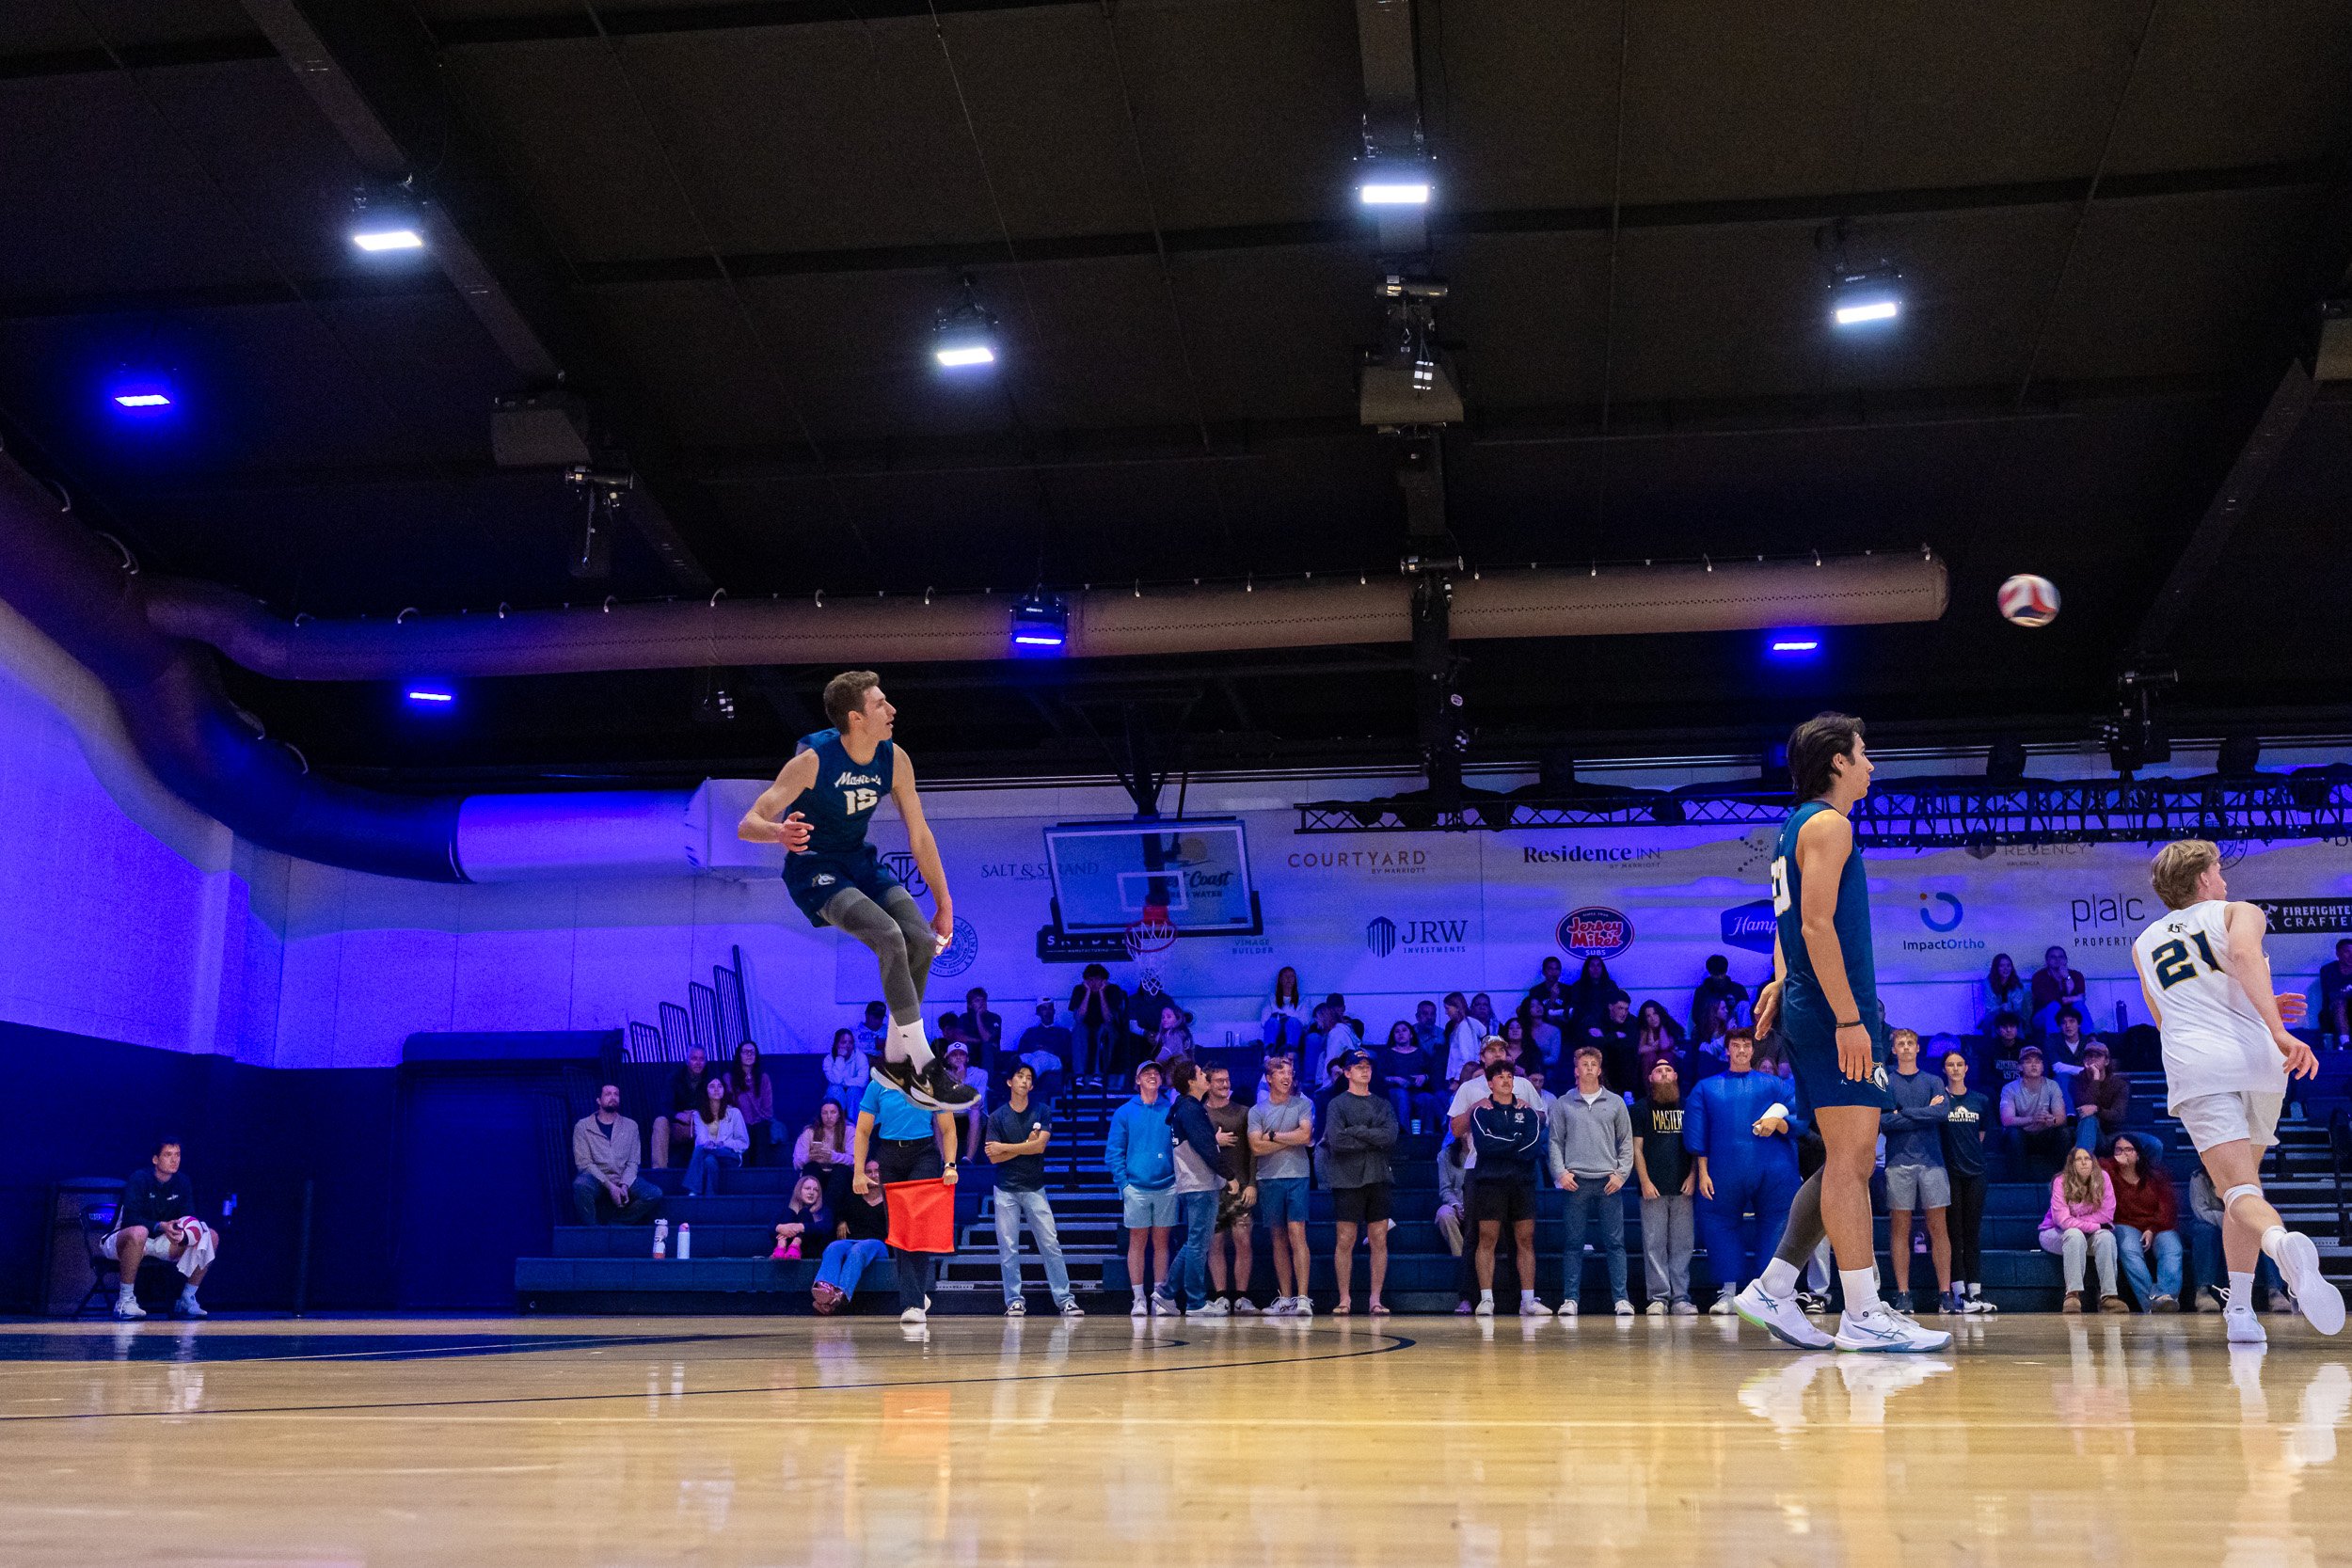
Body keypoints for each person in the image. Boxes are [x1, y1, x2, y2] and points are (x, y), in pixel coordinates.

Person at [1737, 712, 1949, 1354]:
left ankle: (1774, 1287)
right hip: (1836, 1012)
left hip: (1817, 1003)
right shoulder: (1830, 824)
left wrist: (1782, 979)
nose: (1871, 765)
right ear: (1837, 761)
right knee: (1853, 1163)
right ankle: (1862, 1312)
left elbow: (1789, 925)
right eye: (1863, 752)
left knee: (1844, 1159)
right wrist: (1850, 1018)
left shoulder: (1793, 828)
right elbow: (1815, 925)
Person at [2132, 838, 2342, 1341]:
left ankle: (2282, 1246)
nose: (2224, 879)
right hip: (2260, 1063)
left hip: (2200, 1065)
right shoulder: (2239, 912)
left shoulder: (2143, 944)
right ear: (2204, 877)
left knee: (2238, 1192)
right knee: (2246, 1189)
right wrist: (2277, 1027)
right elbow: (2244, 955)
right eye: (2219, 870)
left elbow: (2164, 1017)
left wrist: (2257, 1007)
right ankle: (2241, 1312)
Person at [737, 671, 974, 1113]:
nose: (892, 709)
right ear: (856, 718)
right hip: (815, 871)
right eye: (881, 704)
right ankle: (924, 1065)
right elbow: (748, 823)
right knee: (888, 936)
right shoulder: (813, 762)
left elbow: (919, 835)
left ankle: (895, 1060)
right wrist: (778, 833)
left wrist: (944, 901)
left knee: (921, 939)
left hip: (859, 863)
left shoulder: (894, 758)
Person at [1688, 1028, 1805, 1316]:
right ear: (1727, 1050)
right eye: (1736, 1045)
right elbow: (1696, 1132)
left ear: (1753, 1051)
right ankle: (1728, 1293)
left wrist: (1779, 1124)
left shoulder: (1775, 1085)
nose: (1741, 1050)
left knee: (1777, 1223)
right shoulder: (1706, 1088)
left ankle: (1770, 1294)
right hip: (1722, 1169)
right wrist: (1703, 1172)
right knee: (1719, 1223)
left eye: (1746, 1045)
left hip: (1774, 1169)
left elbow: (1800, 1118)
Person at [850, 1061, 960, 1325]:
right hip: (889, 1155)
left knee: (916, 1225)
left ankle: (913, 1303)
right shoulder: (878, 1084)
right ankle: (917, 1293)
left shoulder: (932, 1081)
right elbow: (863, 1131)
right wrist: (858, 1172)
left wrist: (950, 1165)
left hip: (923, 1154)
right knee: (898, 1228)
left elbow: (948, 1129)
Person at [985, 1060, 1082, 1318]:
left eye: (1029, 1077)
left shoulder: (1042, 1111)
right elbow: (993, 1157)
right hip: (1005, 1188)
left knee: (1050, 1244)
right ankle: (1014, 1301)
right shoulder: (996, 1117)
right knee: (1008, 1248)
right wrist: (1023, 1145)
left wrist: (1007, 1147)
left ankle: (1065, 1299)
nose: (1025, 1080)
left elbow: (1039, 1147)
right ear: (1010, 1082)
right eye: (1020, 1076)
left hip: (1035, 1187)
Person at [1547, 1045, 1634, 1317]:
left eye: (1593, 1064)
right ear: (1576, 1070)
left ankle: (1621, 1299)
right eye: (1583, 1064)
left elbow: (1626, 1143)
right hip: (1575, 1182)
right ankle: (1570, 1299)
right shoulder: (1563, 1103)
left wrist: (1621, 1174)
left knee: (1615, 1244)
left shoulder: (1616, 1102)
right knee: (1573, 1243)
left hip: (1609, 1181)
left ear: (1599, 1070)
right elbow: (1554, 1142)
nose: (1588, 1068)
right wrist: (1560, 1173)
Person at [1879, 1027, 1952, 1315]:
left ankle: (1945, 1293)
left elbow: (1941, 1113)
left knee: (1938, 1228)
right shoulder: (1886, 1082)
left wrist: (1904, 1112)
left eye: (1911, 1043)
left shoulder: (1933, 1080)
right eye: (1901, 1043)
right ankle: (1903, 1294)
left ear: (1918, 1048)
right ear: (1894, 1049)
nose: (1907, 1047)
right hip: (1898, 1162)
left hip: (1932, 1161)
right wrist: (1923, 1113)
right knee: (1900, 1228)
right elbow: (1884, 1122)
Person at [1468, 1061, 1548, 1316]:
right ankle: (1486, 1299)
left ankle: (1528, 1301)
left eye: (1509, 1076)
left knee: (1525, 1239)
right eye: (1500, 1076)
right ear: (1490, 1083)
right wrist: (1515, 1141)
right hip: (1490, 1182)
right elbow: (1485, 1145)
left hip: (1522, 1182)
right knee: (1487, 1238)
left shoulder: (1528, 1112)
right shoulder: (1481, 1112)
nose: (1506, 1080)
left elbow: (1532, 1147)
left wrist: (1506, 1146)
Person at [104, 1139, 217, 1319]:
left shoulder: (183, 1181)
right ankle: (125, 1301)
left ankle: (187, 1298)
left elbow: (188, 1217)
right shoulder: (139, 1178)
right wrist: (160, 1226)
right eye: (168, 1155)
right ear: (155, 1159)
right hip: (124, 1238)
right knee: (139, 1232)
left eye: (177, 1155)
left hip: (161, 1240)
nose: (174, 1160)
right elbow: (130, 1219)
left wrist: (181, 1231)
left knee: (210, 1235)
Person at [1325, 1050, 1400, 1316]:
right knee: (1345, 1238)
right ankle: (1344, 1298)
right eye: (1358, 1067)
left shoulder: (1382, 1104)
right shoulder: (1337, 1104)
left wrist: (1356, 1131)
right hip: (1347, 1178)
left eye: (1367, 1066)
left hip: (1378, 1176)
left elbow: (1390, 1137)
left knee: (1379, 1238)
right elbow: (1337, 1140)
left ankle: (1375, 1299)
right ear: (1347, 1072)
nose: (1365, 1070)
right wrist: (1371, 1137)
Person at [1166, 1057, 1241, 1317]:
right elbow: (1206, 1147)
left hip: (1194, 1184)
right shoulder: (1191, 1110)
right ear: (1190, 1082)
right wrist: (1229, 1176)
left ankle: (1165, 1293)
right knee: (1198, 1245)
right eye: (1200, 1074)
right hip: (1199, 1184)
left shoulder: (1185, 1108)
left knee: (1194, 1242)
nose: (1205, 1077)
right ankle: (1196, 1302)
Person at [1106, 1059, 1178, 1317]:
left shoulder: (1170, 1110)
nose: (1152, 1076)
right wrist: (1124, 1185)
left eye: (1156, 1073)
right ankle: (1138, 1298)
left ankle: (1159, 1298)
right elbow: (1114, 1152)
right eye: (1146, 1073)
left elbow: (1179, 1147)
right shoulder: (1124, 1112)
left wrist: (1177, 1179)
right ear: (1137, 1080)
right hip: (1135, 1187)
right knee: (1137, 1242)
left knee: (1162, 1242)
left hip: (1166, 1185)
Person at [1248, 1052, 1317, 1316]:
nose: (1288, 1077)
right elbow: (1256, 1147)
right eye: (1281, 1073)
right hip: (1269, 1178)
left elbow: (1305, 1136)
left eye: (1290, 1073)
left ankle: (1303, 1297)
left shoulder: (1302, 1105)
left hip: (1297, 1175)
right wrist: (1289, 1139)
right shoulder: (1257, 1111)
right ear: (1269, 1078)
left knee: (1297, 1233)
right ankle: (1285, 1298)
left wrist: (1273, 1136)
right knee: (1277, 1237)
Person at [1634, 1055, 1697, 1316]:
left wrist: (1693, 1177)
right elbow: (1636, 1149)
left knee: (1682, 1245)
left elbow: (1697, 1147)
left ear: (1675, 1076)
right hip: (1653, 1188)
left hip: (1683, 1187)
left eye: (1668, 1070)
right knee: (1654, 1245)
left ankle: (1681, 1297)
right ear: (1650, 1077)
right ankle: (1658, 1298)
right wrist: (1645, 1181)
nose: (1663, 1074)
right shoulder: (1640, 1109)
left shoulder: (1689, 1106)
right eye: (1658, 1070)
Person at [1937, 1048, 1995, 1314]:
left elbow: (1981, 1134)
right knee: (1954, 1233)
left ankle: (1976, 1290)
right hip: (1950, 1173)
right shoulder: (1940, 1101)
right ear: (1944, 1069)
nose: (1956, 1069)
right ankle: (1959, 1292)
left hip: (1976, 1172)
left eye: (1960, 1064)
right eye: (1950, 1064)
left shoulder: (1980, 1100)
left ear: (1967, 1068)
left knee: (1972, 1232)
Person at [2187, 1168, 2291, 1315]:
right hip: (2213, 1224)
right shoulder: (2199, 1178)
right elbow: (2201, 1210)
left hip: (2243, 1222)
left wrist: (2243, 1222)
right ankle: (2203, 1291)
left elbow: (2256, 1205)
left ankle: (2274, 1292)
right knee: (2204, 1231)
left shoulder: (2246, 1174)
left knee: (2263, 1230)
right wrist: (2231, 1222)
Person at [2040, 1146, 2127, 1314]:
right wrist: (2095, 1226)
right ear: (2071, 1164)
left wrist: (2081, 1222)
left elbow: (2106, 1215)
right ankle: (2072, 1295)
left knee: (2106, 1237)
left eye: (2087, 1159)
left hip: (2089, 1235)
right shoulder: (2060, 1181)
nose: (2084, 1163)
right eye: (2078, 1159)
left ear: (2093, 1162)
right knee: (2074, 1234)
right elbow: (2063, 1221)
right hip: (2055, 1233)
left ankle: (2109, 1296)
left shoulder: (2104, 1178)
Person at [2104, 1131, 2181, 1311]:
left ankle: (2166, 1296)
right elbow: (2096, 1167)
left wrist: (2152, 1229)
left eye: (2128, 1149)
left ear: (2138, 1154)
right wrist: (2114, 1162)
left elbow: (2167, 1207)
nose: (2123, 1154)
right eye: (2118, 1150)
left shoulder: (2156, 1175)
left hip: (2157, 1225)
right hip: (2126, 1223)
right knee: (2129, 1250)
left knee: (2172, 1249)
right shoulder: (2109, 1174)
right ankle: (2152, 1303)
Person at [1202, 1066, 1258, 1313]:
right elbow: (1191, 1146)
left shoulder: (1244, 1112)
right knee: (1214, 1243)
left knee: (1243, 1240)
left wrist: (1252, 1183)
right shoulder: (1200, 1114)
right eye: (1219, 1080)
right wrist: (1213, 1141)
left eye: (1227, 1080)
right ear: (1208, 1083)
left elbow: (1254, 1152)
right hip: (1210, 1188)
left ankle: (1242, 1297)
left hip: (1241, 1186)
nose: (1225, 1084)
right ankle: (1221, 1296)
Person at [572, 1083, 662, 1226]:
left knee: (653, 1193)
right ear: (598, 1100)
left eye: (616, 1094)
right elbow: (584, 1163)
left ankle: (617, 1224)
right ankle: (593, 1230)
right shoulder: (583, 1126)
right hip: (596, 1178)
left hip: (622, 1176)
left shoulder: (631, 1126)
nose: (613, 1097)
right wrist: (610, 1186)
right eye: (608, 1094)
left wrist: (624, 1185)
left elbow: (633, 1162)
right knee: (580, 1185)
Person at [812, 1159, 891, 1313]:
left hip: (879, 1245)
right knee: (834, 1246)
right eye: (868, 1171)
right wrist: (841, 1221)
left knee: (858, 1249)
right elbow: (840, 1213)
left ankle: (840, 1294)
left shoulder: (890, 1199)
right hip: (853, 1241)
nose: (873, 1175)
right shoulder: (853, 1197)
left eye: (877, 1171)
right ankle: (824, 1290)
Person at [2000, 1046, 2072, 1176]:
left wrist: (2052, 1120)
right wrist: (2032, 1119)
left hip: (2044, 1135)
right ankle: (2019, 1182)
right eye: (2028, 1061)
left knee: (2064, 1132)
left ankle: (2061, 1179)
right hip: (2023, 1136)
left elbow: (2061, 1117)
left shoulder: (2052, 1085)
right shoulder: (2009, 1088)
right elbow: (2006, 1119)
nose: (2034, 1065)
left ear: (2043, 1067)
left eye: (2038, 1062)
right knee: (2013, 1134)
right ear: (2020, 1067)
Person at [682, 1075, 751, 1196]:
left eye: (720, 1086)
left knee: (700, 1150)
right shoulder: (698, 1114)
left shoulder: (734, 1113)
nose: (716, 1089)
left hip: (729, 1155)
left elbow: (743, 1142)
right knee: (709, 1161)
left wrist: (724, 1143)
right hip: (708, 1153)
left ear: (724, 1090)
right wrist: (707, 1143)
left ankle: (693, 1188)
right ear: (706, 1091)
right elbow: (701, 1137)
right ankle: (711, 1198)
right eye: (712, 1086)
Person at [652, 1043, 713, 1168]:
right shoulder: (674, 1078)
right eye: (694, 1058)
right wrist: (678, 1115)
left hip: (701, 1125)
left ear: (706, 1062)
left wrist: (696, 1115)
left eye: (701, 1059)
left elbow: (717, 1105)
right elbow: (664, 1106)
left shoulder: (711, 1079)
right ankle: (659, 1171)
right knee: (660, 1121)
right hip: (678, 1125)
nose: (698, 1063)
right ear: (687, 1060)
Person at [793, 1099, 856, 1211]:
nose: (829, 1116)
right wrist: (810, 1157)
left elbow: (854, 1160)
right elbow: (796, 1163)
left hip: (840, 1175)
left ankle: (829, 1212)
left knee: (840, 1170)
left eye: (833, 1112)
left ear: (839, 1114)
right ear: (820, 1115)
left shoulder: (849, 1131)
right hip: (817, 1172)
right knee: (811, 1167)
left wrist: (832, 1157)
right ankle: (810, 1211)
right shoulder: (809, 1132)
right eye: (825, 1113)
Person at [1376, 1020, 1438, 1131]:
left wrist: (1424, 1077)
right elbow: (1379, 1076)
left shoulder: (1421, 1053)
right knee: (1402, 1095)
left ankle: (1428, 1134)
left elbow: (1432, 1073)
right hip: (1395, 1091)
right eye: (1397, 1031)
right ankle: (1405, 1133)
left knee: (1427, 1098)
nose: (1401, 1033)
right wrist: (1395, 1079)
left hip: (1417, 1091)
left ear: (1411, 1035)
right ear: (1393, 1036)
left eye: (1404, 1030)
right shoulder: (1387, 1054)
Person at [1070, 963, 1128, 1080]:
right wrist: (1087, 993)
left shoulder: (1113, 990)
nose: (1094, 983)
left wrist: (1101, 993)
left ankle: (1098, 1074)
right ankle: (1079, 1074)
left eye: (1097, 979)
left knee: (1103, 1029)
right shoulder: (1079, 990)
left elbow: (1109, 1019)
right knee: (1078, 1029)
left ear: (1104, 980)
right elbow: (1079, 1018)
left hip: (1109, 1029)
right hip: (1087, 1028)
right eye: (1090, 980)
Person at [2072, 1040, 2130, 1153]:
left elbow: (2118, 1115)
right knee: (2089, 1119)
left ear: (2106, 1061)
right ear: (2084, 1061)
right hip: (2085, 1133)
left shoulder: (2119, 1084)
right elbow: (2085, 1108)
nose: (2092, 1059)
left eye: (2097, 1056)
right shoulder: (2076, 1082)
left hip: (2114, 1134)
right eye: (2089, 1056)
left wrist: (2097, 1110)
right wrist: (2096, 1079)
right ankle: (2083, 1161)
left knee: (2154, 1144)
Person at [727, 1041, 777, 1165]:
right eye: (745, 1052)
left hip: (760, 1122)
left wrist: (755, 1121)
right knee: (744, 1130)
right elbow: (729, 1106)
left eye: (752, 1052)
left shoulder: (764, 1078)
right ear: (739, 1055)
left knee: (760, 1130)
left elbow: (767, 1109)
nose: (749, 1055)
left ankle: (761, 1173)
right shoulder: (729, 1078)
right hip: (738, 1123)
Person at [1584, 994, 1641, 1098]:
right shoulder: (1598, 1020)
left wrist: (1605, 1038)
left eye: (1626, 1009)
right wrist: (1615, 1036)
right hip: (1605, 1059)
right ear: (1610, 1007)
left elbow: (1631, 1045)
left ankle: (1627, 1095)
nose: (1624, 1013)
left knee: (1625, 1054)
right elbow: (1594, 1044)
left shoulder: (1632, 1022)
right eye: (1620, 1008)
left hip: (1623, 1061)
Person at [1015, 998, 1073, 1090]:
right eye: (1044, 1009)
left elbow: (1068, 1054)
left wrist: (1050, 1050)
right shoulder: (1030, 1032)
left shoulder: (1063, 1032)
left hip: (1055, 1060)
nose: (1048, 1012)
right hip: (1034, 1056)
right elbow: (1021, 1051)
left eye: (1050, 1008)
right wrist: (1036, 1048)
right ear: (1038, 1012)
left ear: (1054, 1011)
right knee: (1023, 1058)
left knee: (1042, 1059)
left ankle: (1023, 1086)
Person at [2031, 944, 2087, 1035]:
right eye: (2053, 957)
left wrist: (2067, 977)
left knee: (2079, 1006)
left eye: (2061, 957)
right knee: (2053, 1006)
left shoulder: (2076, 975)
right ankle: (2054, 1040)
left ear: (2066, 960)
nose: (2057, 960)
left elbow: (2081, 998)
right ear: (2047, 961)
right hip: (2042, 1016)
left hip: (2069, 1014)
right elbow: (2046, 1000)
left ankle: (2090, 1038)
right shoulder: (2039, 977)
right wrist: (2071, 999)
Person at [1692, 955, 1750, 1039]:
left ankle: (1745, 1037)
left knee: (1744, 1004)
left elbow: (1746, 1013)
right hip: (1712, 1027)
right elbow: (1696, 1016)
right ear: (1710, 973)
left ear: (1726, 971)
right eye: (1716, 974)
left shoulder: (1738, 989)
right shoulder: (1702, 991)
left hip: (1735, 1027)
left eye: (1722, 973)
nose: (1720, 977)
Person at [1565, 957, 1629, 1034]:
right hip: (1585, 1027)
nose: (1595, 969)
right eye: (1592, 965)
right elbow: (1573, 1008)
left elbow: (1617, 1005)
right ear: (1587, 968)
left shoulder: (1610, 986)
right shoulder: (1578, 986)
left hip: (1609, 1026)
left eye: (1598, 965)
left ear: (1602, 968)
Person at [772, 1176, 830, 1259]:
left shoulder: (824, 1210)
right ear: (799, 1191)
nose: (811, 1192)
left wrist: (801, 1227)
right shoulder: (787, 1206)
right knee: (788, 1212)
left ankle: (795, 1245)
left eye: (816, 1190)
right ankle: (781, 1246)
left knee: (804, 1212)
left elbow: (826, 1227)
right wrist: (781, 1228)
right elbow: (771, 1226)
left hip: (810, 1251)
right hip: (786, 1250)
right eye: (807, 1188)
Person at [949, 987, 1003, 1068]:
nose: (982, 1003)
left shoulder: (994, 1018)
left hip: (991, 1054)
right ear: (970, 1005)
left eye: (983, 1000)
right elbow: (958, 1037)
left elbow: (986, 1039)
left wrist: (978, 1017)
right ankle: (963, 1074)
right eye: (977, 1001)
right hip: (972, 1051)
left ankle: (986, 1076)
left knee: (986, 1047)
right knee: (964, 1047)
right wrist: (978, 1041)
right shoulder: (964, 1017)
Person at [1440, 992, 1486, 1083]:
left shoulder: (1464, 1027)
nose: (1446, 1012)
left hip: (1463, 1077)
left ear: (1457, 1007)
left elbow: (1466, 1057)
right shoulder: (1459, 1025)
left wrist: (1457, 1079)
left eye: (1447, 1008)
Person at [821, 1027, 870, 1109]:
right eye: (843, 1042)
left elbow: (863, 1082)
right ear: (837, 1045)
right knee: (835, 1089)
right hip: (835, 1094)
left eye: (850, 1042)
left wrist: (843, 1082)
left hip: (856, 1095)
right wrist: (840, 1058)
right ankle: (838, 1117)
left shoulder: (861, 1057)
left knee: (854, 1091)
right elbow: (837, 1080)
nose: (847, 1046)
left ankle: (853, 1118)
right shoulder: (828, 1060)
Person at [1980, 952, 2030, 1033]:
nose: (2006, 969)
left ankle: (2018, 1040)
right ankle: (1995, 1041)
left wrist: (2009, 1008)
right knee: (1990, 1021)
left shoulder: (2017, 982)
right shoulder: (1988, 983)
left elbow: (2017, 1006)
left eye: (2008, 966)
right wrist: (2001, 1008)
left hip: (2013, 1013)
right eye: (2001, 966)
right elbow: (1990, 1007)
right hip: (1994, 1014)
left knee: (2017, 1020)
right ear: (1996, 968)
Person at [1264, 966, 1308, 1051]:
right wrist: (1279, 1020)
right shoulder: (1271, 998)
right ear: (1280, 980)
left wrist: (1287, 1019)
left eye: (1292, 976)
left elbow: (1306, 1020)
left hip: (1295, 1031)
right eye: (1286, 976)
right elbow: (1264, 1021)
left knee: (1293, 1022)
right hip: (1276, 1031)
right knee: (1272, 1021)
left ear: (1295, 980)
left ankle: (1290, 1052)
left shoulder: (1303, 999)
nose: (1289, 979)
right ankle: (1270, 1053)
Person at [2319, 937, 2352, 1042]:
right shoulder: (2329, 970)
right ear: (2338, 954)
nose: (2351, 956)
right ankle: (2345, 1041)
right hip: (2335, 1007)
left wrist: (2344, 993)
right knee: (2339, 1003)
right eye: (2347, 952)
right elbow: (2333, 995)